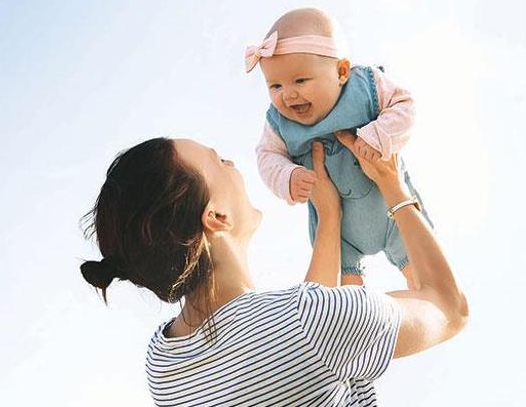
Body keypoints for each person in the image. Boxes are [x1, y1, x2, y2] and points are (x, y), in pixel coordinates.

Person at [80, 132, 468, 406]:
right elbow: (450, 308)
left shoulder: (164, 364)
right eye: (219, 161)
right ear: (216, 216)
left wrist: (329, 218)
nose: (232, 164)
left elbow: (299, 352)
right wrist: (393, 186)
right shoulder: (312, 320)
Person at [250, 8, 431, 286]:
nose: (288, 94)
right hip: (339, 231)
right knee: (344, 298)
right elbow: (267, 156)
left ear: (342, 72)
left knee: (424, 277)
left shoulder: (366, 87)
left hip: (393, 210)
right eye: (275, 86)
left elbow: (404, 106)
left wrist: (379, 134)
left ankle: (425, 295)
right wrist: (288, 176)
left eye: (300, 80)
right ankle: (354, 300)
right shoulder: (278, 124)